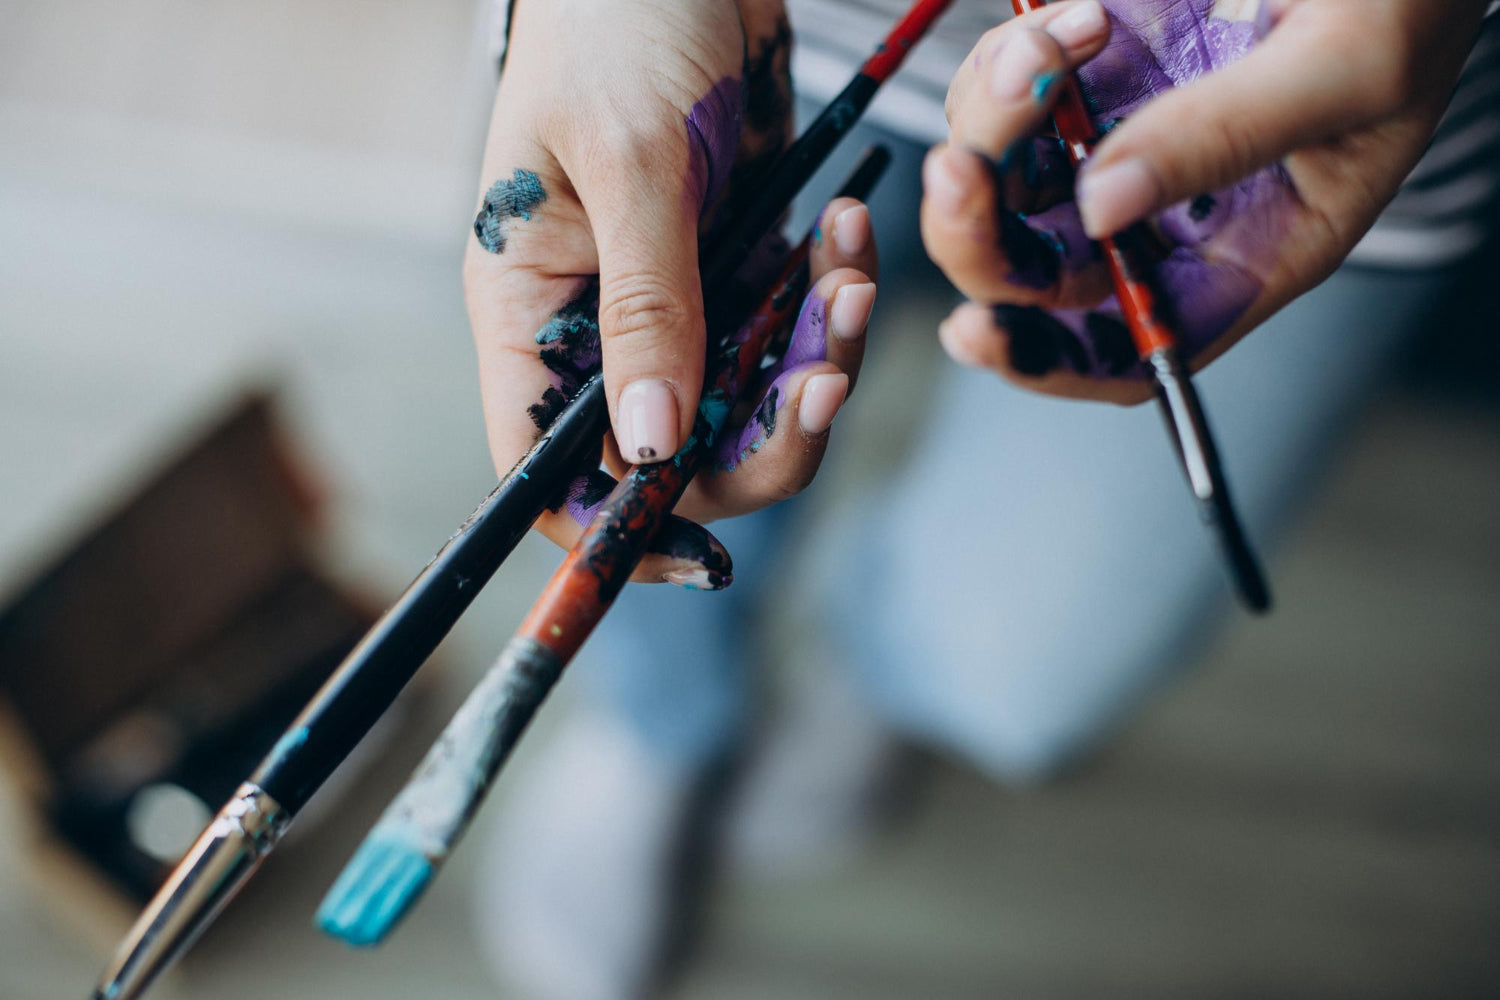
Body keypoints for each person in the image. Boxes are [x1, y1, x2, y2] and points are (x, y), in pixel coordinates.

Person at [462, 2, 1500, 998]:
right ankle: (661, 722)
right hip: (734, 32)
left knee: (1009, 666)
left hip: (1283, 97)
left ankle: (885, 671)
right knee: (630, 458)